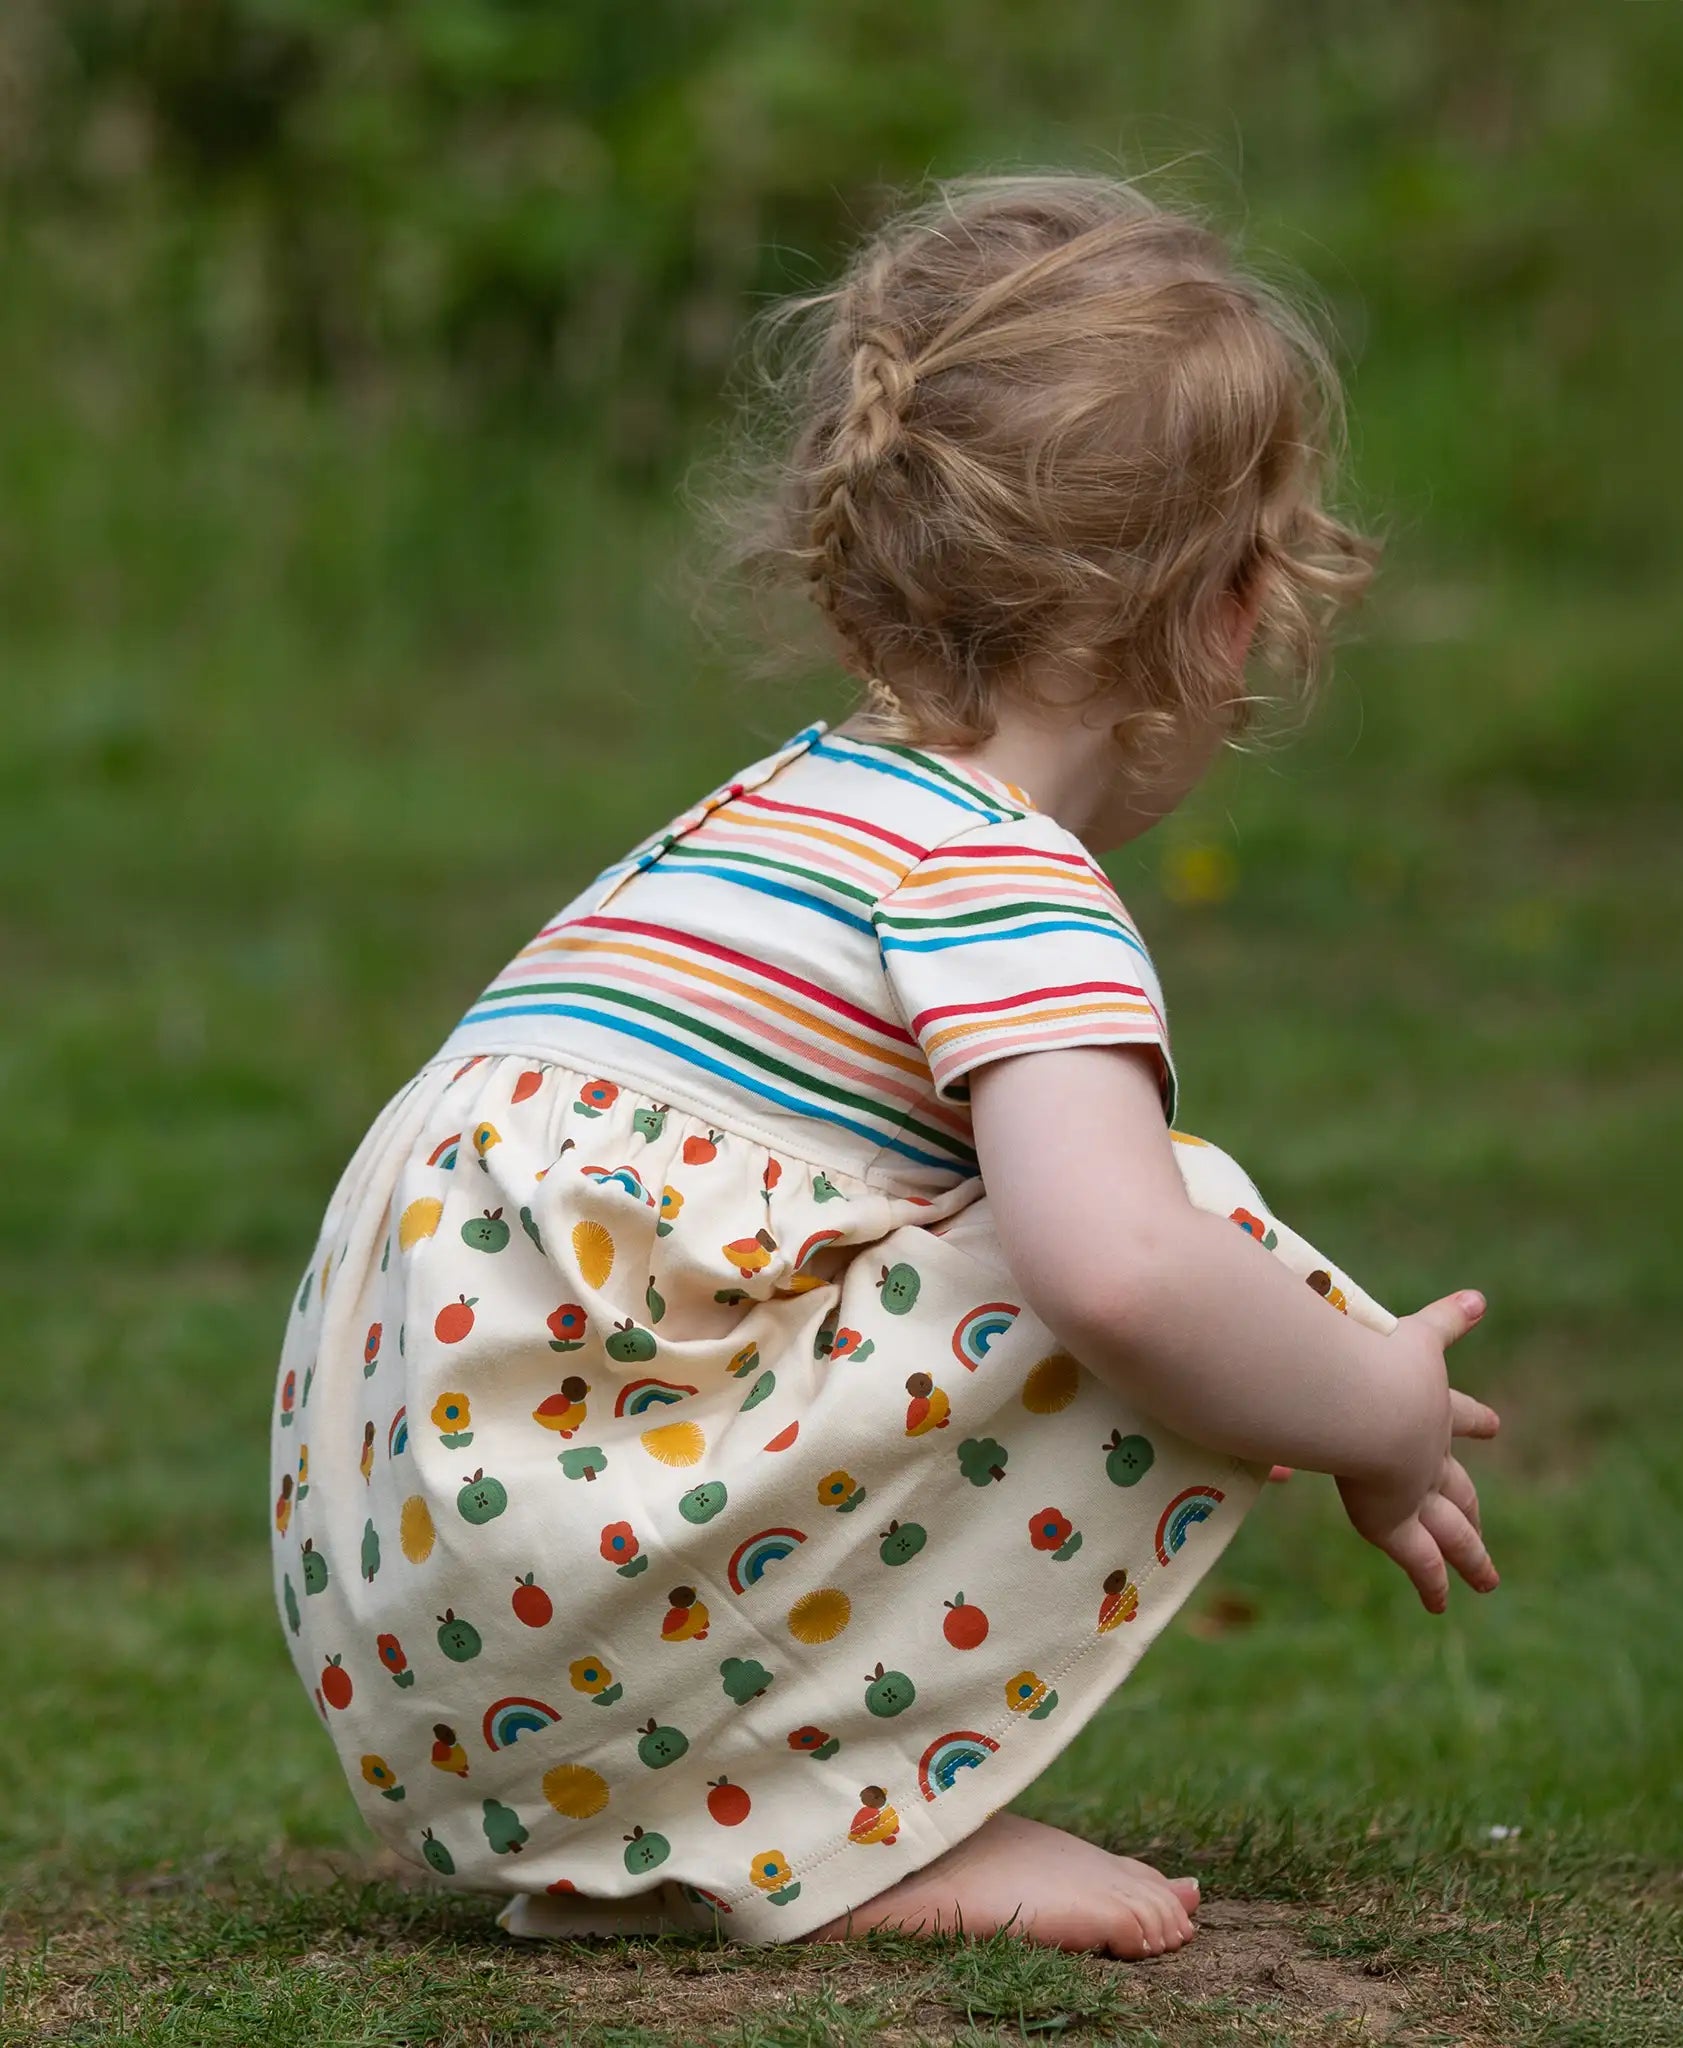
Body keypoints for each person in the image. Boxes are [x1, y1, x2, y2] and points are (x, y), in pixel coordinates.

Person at [268, 170, 1501, 1959]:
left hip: (426, 1628)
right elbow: (1124, 1273)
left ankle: (686, 1805)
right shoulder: (998, 872)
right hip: (562, 1576)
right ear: (1229, 615)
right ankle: (847, 1837)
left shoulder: (783, 814)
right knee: (1197, 1232)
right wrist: (1371, 1409)